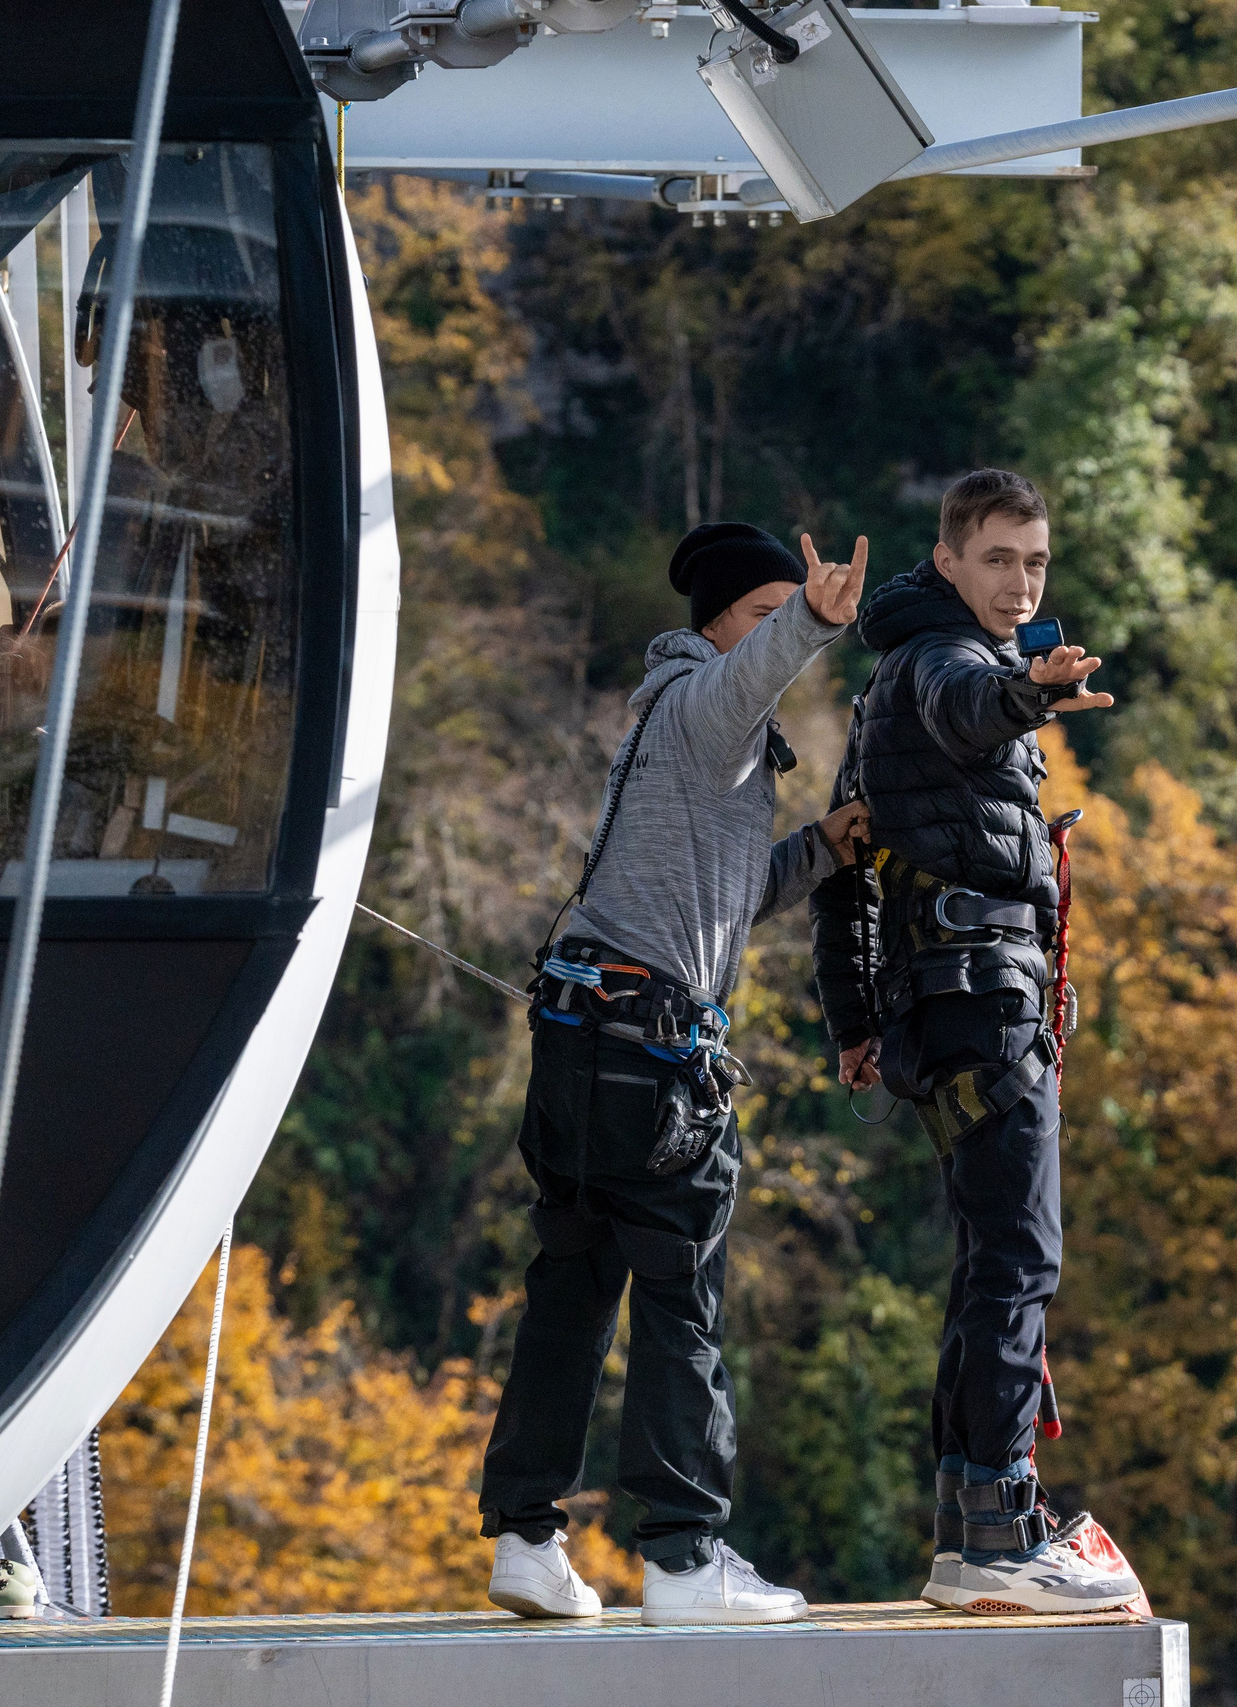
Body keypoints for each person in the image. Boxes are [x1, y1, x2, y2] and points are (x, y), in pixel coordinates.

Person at [480, 521, 872, 1626]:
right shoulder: (705, 703)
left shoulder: (677, 735)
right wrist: (810, 620)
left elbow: (719, 899)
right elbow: (753, 670)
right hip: (652, 1070)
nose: (772, 646)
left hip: (576, 1052)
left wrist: (820, 850)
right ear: (715, 625)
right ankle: (688, 1562)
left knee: (568, 1292)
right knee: (678, 1306)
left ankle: (523, 1539)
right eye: (757, 615)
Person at [809, 468, 1142, 1615]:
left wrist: (854, 1022)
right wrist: (1028, 696)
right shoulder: (947, 666)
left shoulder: (888, 677)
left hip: (942, 1009)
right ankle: (1001, 1529)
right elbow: (970, 707)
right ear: (948, 561)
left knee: (987, 1261)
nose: (1019, 582)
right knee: (1018, 1260)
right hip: (981, 1004)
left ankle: (968, 1534)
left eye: (1035, 562)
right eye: (998, 559)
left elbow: (844, 867)